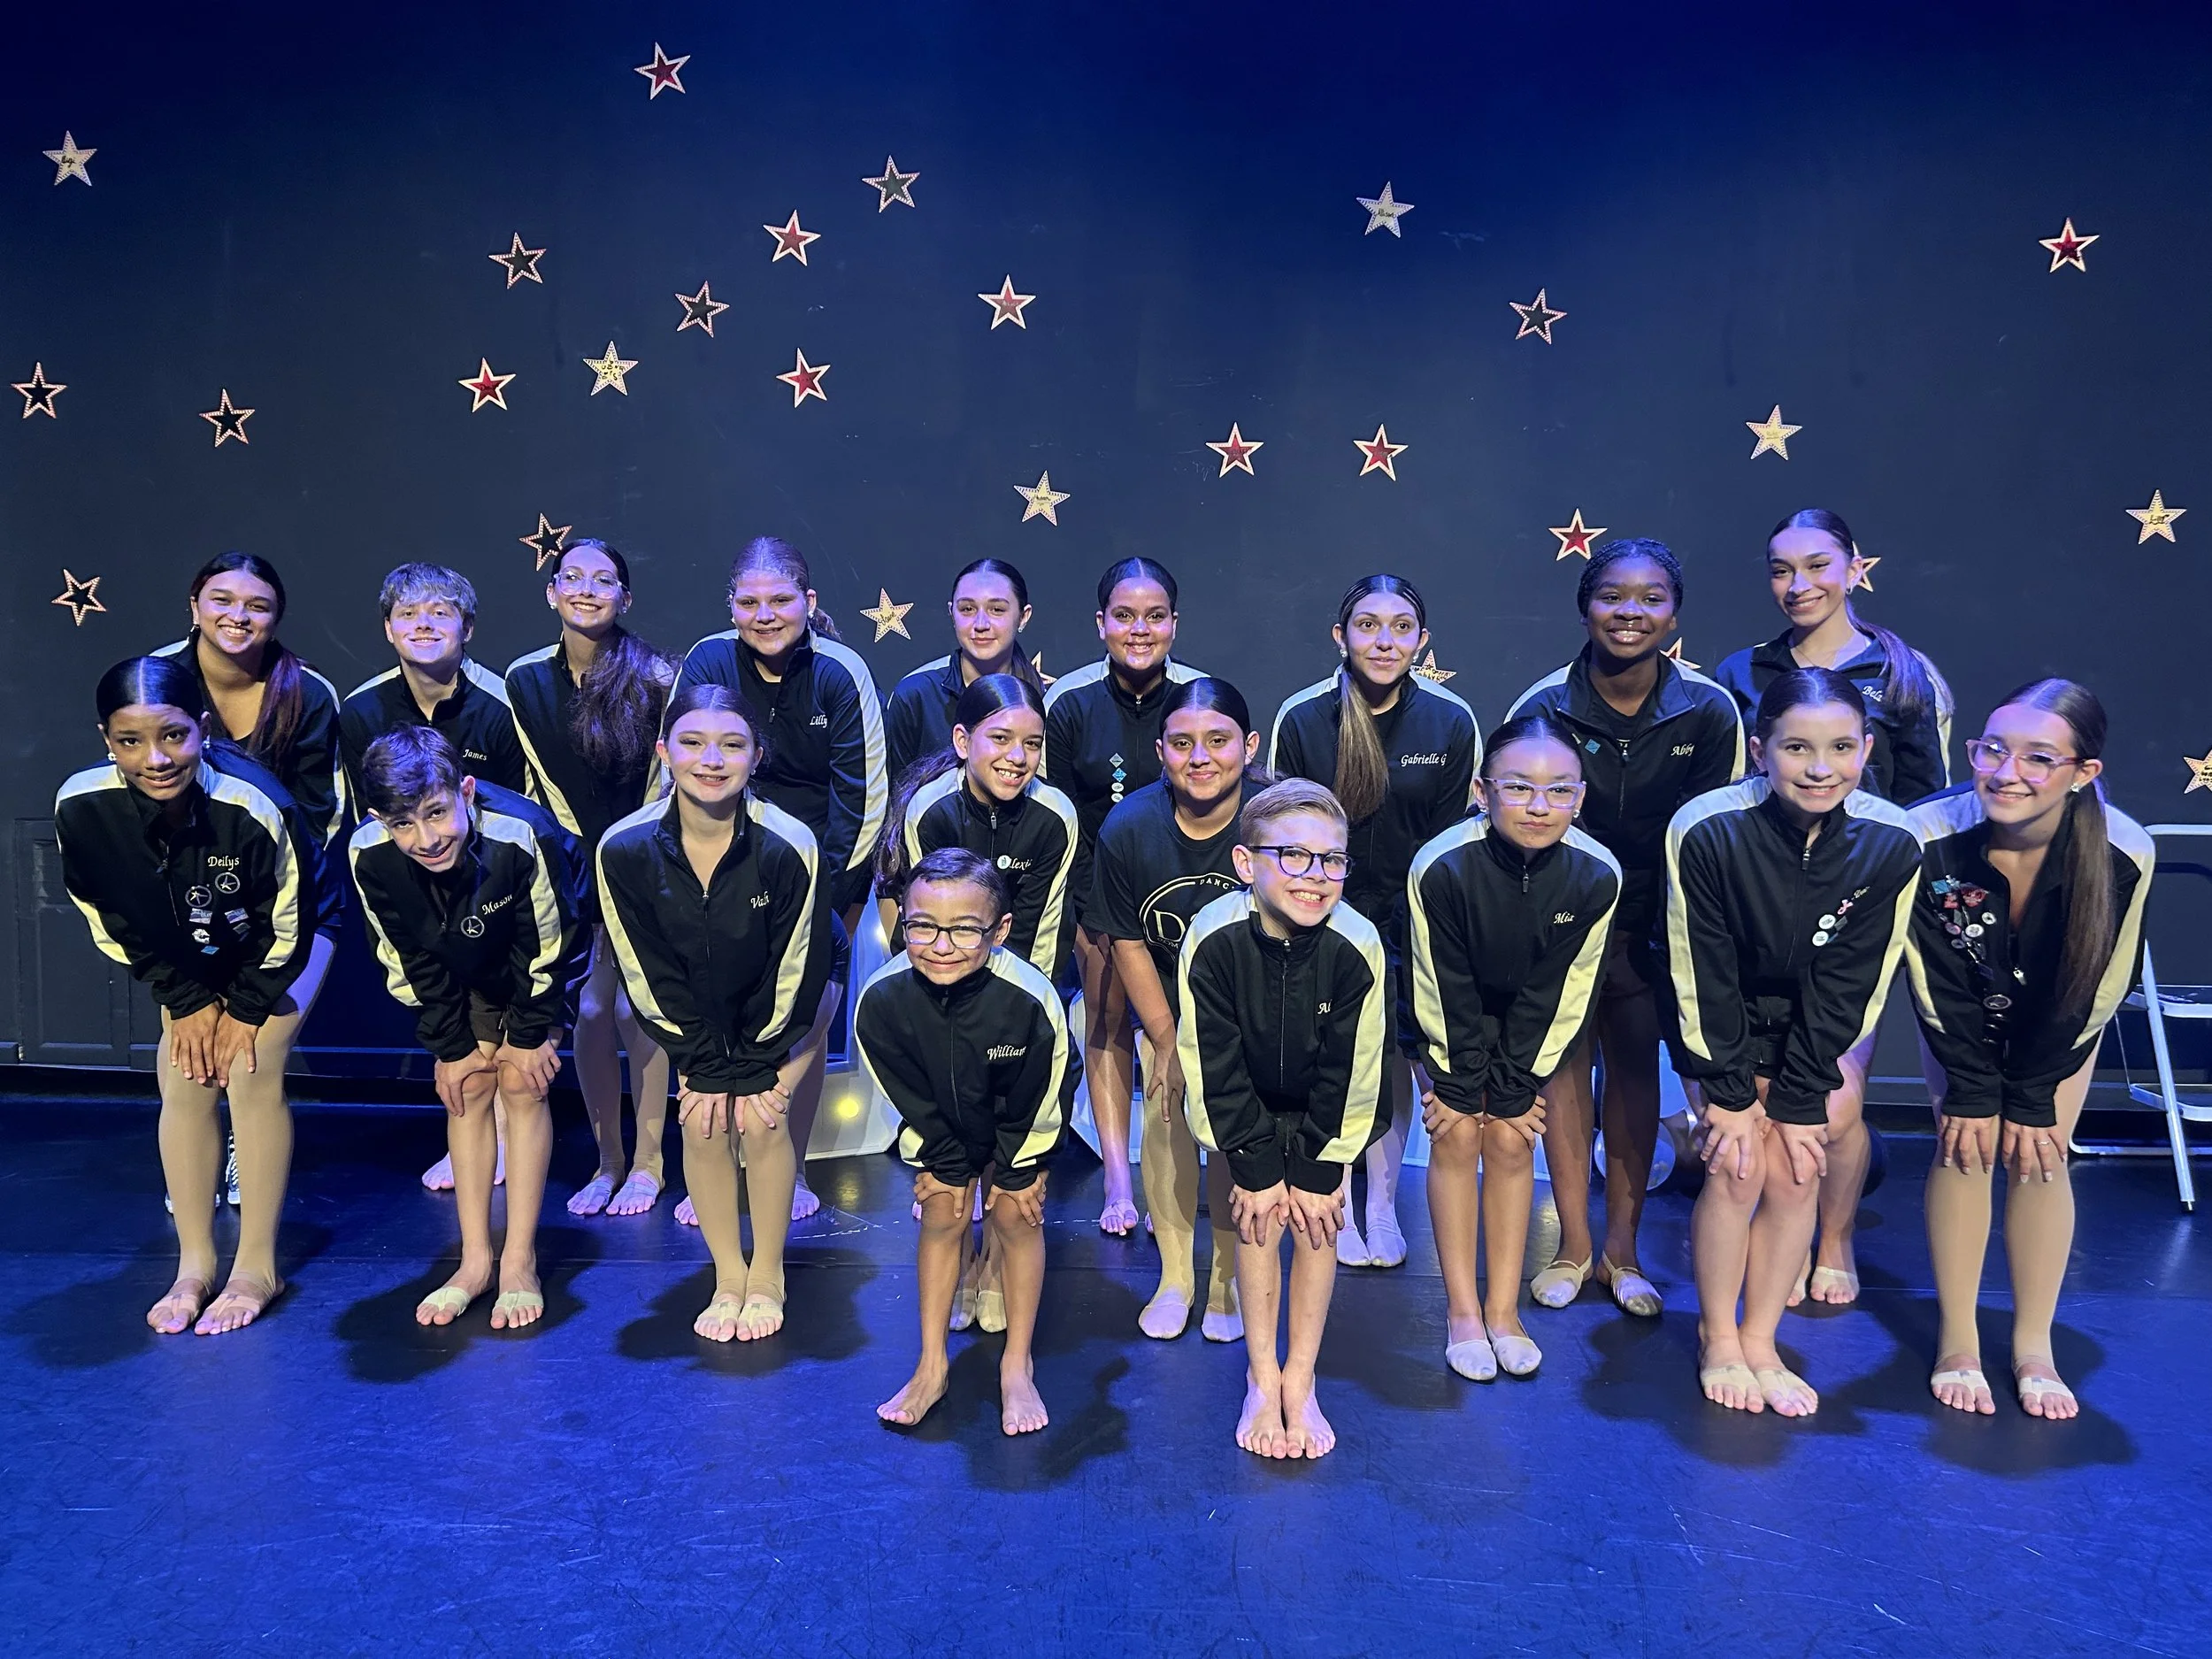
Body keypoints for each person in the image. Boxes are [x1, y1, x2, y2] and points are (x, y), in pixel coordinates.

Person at [1665, 669, 1922, 1416]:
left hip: (1814, 1031)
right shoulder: (1707, 828)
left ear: (1866, 749)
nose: (1819, 767)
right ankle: (1719, 1337)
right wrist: (1733, 1096)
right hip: (1721, 1027)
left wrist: (1806, 1096)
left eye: (1841, 747)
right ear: (1760, 750)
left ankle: (1762, 1340)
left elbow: (1853, 983)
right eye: (1797, 747)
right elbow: (1700, 972)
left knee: (1798, 1170)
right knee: (1738, 1166)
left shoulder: (1890, 842)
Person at [1716, 506, 1955, 1306]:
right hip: (1759, 915)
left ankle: (1836, 1236)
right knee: (1757, 1095)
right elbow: (1728, 802)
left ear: (1853, 567)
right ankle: (1766, 1240)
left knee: (1837, 1095)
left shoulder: (1906, 676)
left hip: (1856, 917)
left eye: (1816, 566)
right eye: (1781, 570)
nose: (1798, 585)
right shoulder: (1741, 671)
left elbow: (1930, 812)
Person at [1507, 538, 1744, 1321]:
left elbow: (1711, 839)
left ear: (1674, 612)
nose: (1630, 612)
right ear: (1585, 606)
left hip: (1657, 927)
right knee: (1562, 1073)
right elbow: (1520, 831)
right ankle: (1575, 1245)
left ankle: (1624, 1252)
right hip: (1562, 921)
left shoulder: (1709, 710)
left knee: (1637, 1075)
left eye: (1650, 598)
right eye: (1613, 596)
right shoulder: (1541, 706)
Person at [1906, 680, 2153, 1419]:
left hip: (2058, 1020)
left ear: (2083, 773)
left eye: (2038, 758)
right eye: (1993, 749)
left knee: (2043, 1153)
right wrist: (1974, 1091)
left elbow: (2103, 982)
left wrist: (2037, 1094)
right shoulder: (1924, 832)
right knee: (1965, 1145)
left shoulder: (2124, 847)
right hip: (1956, 1012)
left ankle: (2034, 1345)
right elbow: (1931, 974)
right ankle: (1957, 1339)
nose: (2006, 772)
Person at [56, 656, 323, 1336]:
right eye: (131, 741)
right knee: (183, 1071)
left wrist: (242, 1008)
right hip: (185, 956)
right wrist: (183, 1000)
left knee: (249, 1065)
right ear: (105, 738)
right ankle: (194, 1264)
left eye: (173, 735)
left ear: (201, 728)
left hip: (281, 945)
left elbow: (291, 922)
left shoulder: (256, 804)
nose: (156, 758)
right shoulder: (81, 807)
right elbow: (107, 914)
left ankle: (257, 1267)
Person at [596, 684, 829, 1342]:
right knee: (700, 1120)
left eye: (732, 744)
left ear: (757, 756)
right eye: (693, 743)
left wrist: (757, 1065)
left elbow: (798, 969)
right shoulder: (624, 848)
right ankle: (729, 1275)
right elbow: (644, 972)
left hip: (776, 1007)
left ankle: (768, 1274)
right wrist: (697, 1062)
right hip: (691, 1011)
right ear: (664, 751)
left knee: (760, 1118)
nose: (712, 759)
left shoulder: (789, 844)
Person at [672, 537, 885, 1224]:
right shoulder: (708, 660)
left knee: (803, 1021)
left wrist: (816, 902)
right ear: (731, 605)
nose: (765, 614)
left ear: (809, 602)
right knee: (722, 1013)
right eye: (749, 601)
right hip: (723, 864)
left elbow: (863, 798)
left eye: (781, 599)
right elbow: (679, 766)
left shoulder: (841, 671)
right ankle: (718, 1165)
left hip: (823, 875)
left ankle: (786, 1167)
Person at [1268, 573, 1479, 1268]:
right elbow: (1285, 829)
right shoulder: (1302, 718)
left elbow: (1453, 845)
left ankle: (1380, 1203)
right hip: (1322, 918)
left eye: (1400, 627)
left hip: (1411, 923)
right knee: (1329, 1060)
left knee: (1391, 1061)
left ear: (1422, 639)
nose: (1383, 640)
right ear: (1341, 635)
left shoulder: (1450, 721)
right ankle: (1331, 1193)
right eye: (1367, 625)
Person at [349, 728, 588, 1331]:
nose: (426, 839)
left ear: (467, 790)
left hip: (543, 966)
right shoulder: (368, 853)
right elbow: (405, 953)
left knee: (521, 1084)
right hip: (463, 971)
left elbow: (553, 944)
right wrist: (451, 1046)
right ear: (380, 820)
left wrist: (530, 1035)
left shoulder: (523, 834)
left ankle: (519, 1260)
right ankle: (476, 1259)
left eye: (436, 813)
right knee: (467, 1088)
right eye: (403, 824)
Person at [1179, 780, 1388, 1459]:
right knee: (1260, 1217)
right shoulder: (1212, 938)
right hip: (1247, 1106)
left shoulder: (1356, 945)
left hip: (1325, 1109)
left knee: (1319, 1218)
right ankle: (1262, 1376)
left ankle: (1302, 1375)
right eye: (1293, 856)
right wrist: (1256, 1164)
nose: (1315, 876)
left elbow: (1353, 1072)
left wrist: (1323, 1169)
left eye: (1332, 860)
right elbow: (1213, 1061)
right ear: (1246, 863)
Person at [1408, 716, 1620, 1381]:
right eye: (1520, 788)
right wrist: (1456, 1086)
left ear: (1580, 798)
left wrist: (1520, 1086)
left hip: (1530, 1030)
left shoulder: (1596, 874)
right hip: (1452, 1020)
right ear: (1482, 790)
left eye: (1559, 791)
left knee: (1509, 1139)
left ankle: (1504, 1311)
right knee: (1458, 1135)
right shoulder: (1441, 866)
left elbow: (1565, 994)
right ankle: (1464, 1312)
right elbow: (1441, 986)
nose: (1539, 805)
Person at [152, 551, 346, 1210]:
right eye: (222, 600)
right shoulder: (158, 683)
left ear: (275, 617)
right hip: (193, 904)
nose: (239, 616)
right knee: (190, 1046)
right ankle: (195, 1164)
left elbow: (318, 820)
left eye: (257, 606)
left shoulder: (309, 693)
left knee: (254, 1053)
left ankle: (244, 1153)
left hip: (294, 903)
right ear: (194, 605)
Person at [858, 849, 1068, 1436]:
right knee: (943, 1211)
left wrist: (1019, 1169)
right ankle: (931, 1364)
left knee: (1015, 1215)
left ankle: (1017, 1363)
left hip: (1016, 1128)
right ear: (901, 918)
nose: (940, 945)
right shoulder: (881, 1000)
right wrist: (945, 1165)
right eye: (922, 925)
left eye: (963, 930)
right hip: (942, 1129)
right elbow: (904, 1094)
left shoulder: (1029, 1000)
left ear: (998, 930)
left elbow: (1044, 1089)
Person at [340, 563, 530, 1192]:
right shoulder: (362, 709)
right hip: (416, 876)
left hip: (490, 874)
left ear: (467, 626)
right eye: (409, 615)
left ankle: (504, 1133)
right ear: (389, 630)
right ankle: (471, 1132)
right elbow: (368, 809)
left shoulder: (502, 705)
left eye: (440, 613)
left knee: (502, 1002)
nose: (424, 625)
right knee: (445, 1003)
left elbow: (520, 805)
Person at [505, 540, 679, 1218]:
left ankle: (648, 1163)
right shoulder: (524, 678)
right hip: (570, 869)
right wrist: (576, 863)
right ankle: (607, 1160)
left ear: (625, 598)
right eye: (570, 577)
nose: (585, 588)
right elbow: (536, 786)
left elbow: (666, 781)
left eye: (603, 579)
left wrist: (627, 860)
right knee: (590, 1012)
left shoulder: (658, 675)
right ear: (551, 593)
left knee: (640, 1013)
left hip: (643, 865)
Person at [1091, 676, 1262, 1341]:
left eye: (1218, 742)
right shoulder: (1130, 826)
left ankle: (1227, 1275)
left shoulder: (1273, 820)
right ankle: (1175, 1275)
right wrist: (1165, 1039)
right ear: (1160, 750)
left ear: (1247, 746)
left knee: (1233, 1129)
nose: (1201, 757)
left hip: (1252, 1009)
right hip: (1164, 998)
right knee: (1166, 1109)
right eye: (1183, 743)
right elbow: (1127, 937)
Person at [1043, 557, 1209, 1237]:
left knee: (1190, 1038)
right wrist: (1089, 914)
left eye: (1154, 615)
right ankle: (1118, 1178)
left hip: (1187, 905)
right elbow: (1056, 809)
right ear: (1101, 623)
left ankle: (1198, 1167)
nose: (1139, 629)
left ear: (1174, 622)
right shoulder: (1072, 704)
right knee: (1108, 1029)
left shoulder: (1199, 697)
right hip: (1101, 902)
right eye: (1124, 615)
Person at [879, 674, 1079, 980]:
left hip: (1017, 975)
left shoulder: (1055, 817)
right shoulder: (931, 811)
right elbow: (929, 923)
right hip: (940, 965)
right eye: (1000, 738)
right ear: (963, 741)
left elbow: (1041, 931)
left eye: (1032, 744)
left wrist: (1026, 1000)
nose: (1017, 757)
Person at [882, 559, 1048, 785]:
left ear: (1023, 616)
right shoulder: (916, 696)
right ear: (952, 613)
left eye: (997, 610)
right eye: (967, 609)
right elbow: (896, 795)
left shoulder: (1045, 699)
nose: (981, 624)